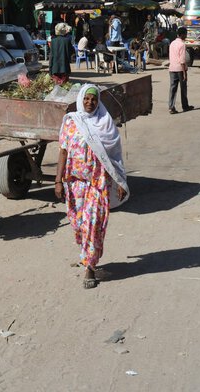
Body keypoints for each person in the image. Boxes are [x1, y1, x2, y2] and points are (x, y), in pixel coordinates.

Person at [55, 84, 129, 289]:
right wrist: (58, 180)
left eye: (93, 99)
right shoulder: (71, 122)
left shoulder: (105, 126)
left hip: (98, 184)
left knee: (93, 224)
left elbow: (114, 158)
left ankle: (89, 266)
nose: (89, 103)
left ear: (98, 102)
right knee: (78, 225)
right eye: (86, 99)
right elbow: (63, 151)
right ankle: (85, 253)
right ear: (80, 99)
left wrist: (120, 182)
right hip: (74, 184)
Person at [168, 26, 194, 114]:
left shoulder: (172, 43)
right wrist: (184, 73)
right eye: (185, 34)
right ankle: (185, 106)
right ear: (182, 35)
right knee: (183, 88)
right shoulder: (182, 44)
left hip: (172, 68)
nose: (186, 36)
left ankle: (171, 107)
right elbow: (182, 60)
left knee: (173, 88)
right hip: (180, 68)